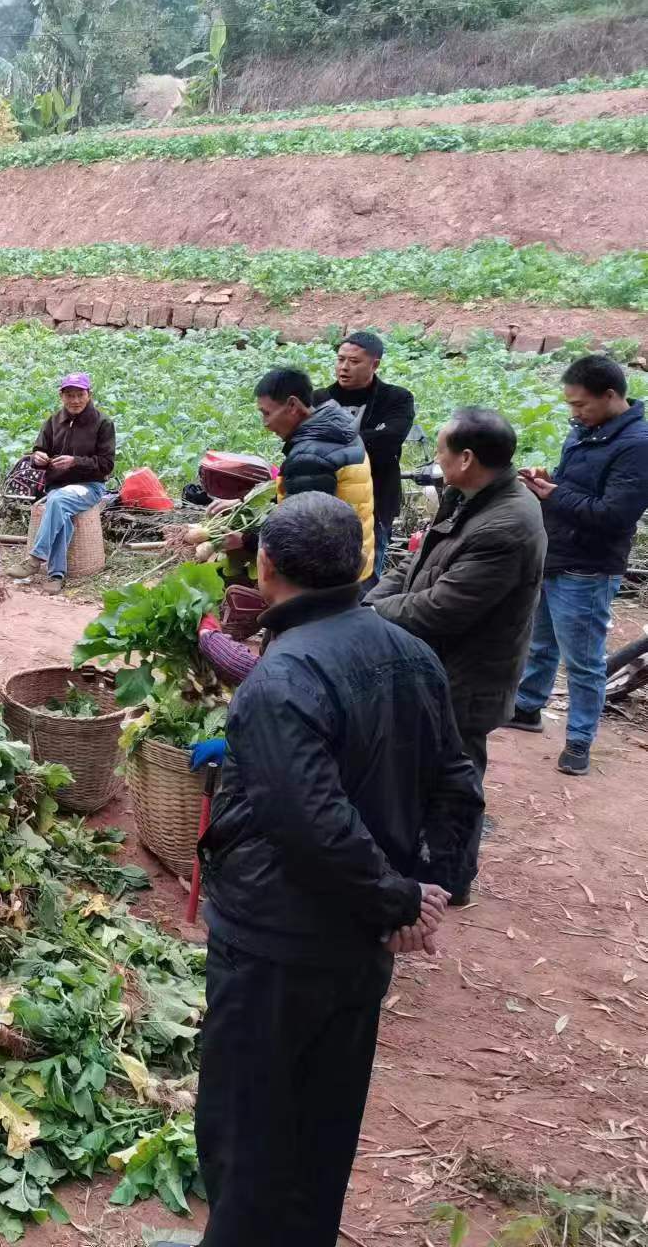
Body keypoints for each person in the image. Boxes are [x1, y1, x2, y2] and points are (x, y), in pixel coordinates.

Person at [191, 493, 481, 1247]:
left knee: (248, 1129)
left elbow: (314, 828)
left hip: (277, 941)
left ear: (268, 568)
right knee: (324, 1120)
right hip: (358, 945)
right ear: (359, 565)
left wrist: (401, 901)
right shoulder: (410, 652)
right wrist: (424, 891)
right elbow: (459, 782)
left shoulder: (280, 678)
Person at [365, 410, 545, 899]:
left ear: (466, 458)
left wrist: (372, 616)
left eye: (441, 448)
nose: (435, 457)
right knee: (426, 770)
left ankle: (451, 882)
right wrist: (372, 601)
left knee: (456, 782)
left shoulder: (506, 525)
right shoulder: (467, 497)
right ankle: (421, 864)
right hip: (438, 666)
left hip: (467, 679)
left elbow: (441, 609)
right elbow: (413, 560)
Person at [507, 354, 648, 777]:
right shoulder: (590, 431)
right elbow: (578, 488)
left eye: (580, 405)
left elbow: (613, 515)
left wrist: (553, 495)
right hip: (558, 553)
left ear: (610, 396)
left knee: (584, 661)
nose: (574, 413)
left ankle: (580, 740)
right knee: (540, 641)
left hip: (588, 567)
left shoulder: (637, 446)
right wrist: (546, 479)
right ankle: (528, 708)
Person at [213, 367, 375, 577]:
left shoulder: (310, 457)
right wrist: (244, 503)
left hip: (330, 575)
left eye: (267, 413)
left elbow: (302, 533)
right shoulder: (337, 427)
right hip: (355, 560)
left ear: (292, 405)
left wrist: (244, 541)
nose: (266, 424)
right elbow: (302, 490)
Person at [324, 331, 414, 576]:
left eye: (354, 362)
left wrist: (330, 443)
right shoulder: (320, 399)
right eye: (340, 359)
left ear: (375, 364)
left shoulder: (397, 399)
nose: (344, 367)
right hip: (325, 503)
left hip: (375, 504)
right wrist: (366, 439)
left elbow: (388, 443)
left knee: (366, 577)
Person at [20, 372, 116, 587]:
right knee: (58, 504)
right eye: (69, 395)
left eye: (80, 395)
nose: (75, 401)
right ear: (61, 396)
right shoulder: (53, 422)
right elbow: (37, 453)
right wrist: (38, 457)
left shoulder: (103, 424)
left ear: (88, 395)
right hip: (57, 486)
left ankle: (36, 558)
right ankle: (56, 576)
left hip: (89, 486)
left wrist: (75, 462)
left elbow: (106, 465)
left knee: (59, 501)